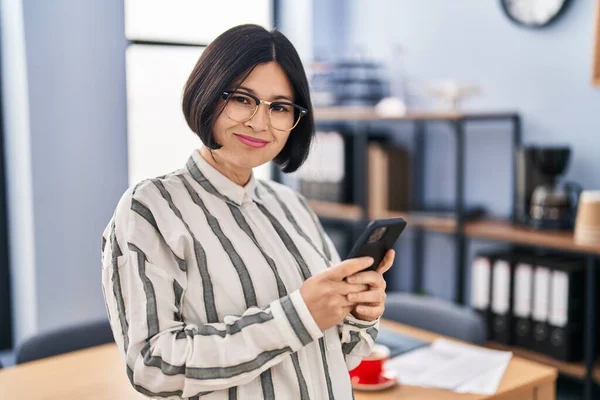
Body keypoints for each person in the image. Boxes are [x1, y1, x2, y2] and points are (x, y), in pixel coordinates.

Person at [101, 24, 395, 399]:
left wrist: (359, 313)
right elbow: (152, 366)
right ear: (207, 93)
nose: (260, 122)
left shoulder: (293, 206)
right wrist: (298, 316)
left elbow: (341, 354)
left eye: (280, 107)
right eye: (242, 99)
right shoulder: (150, 209)